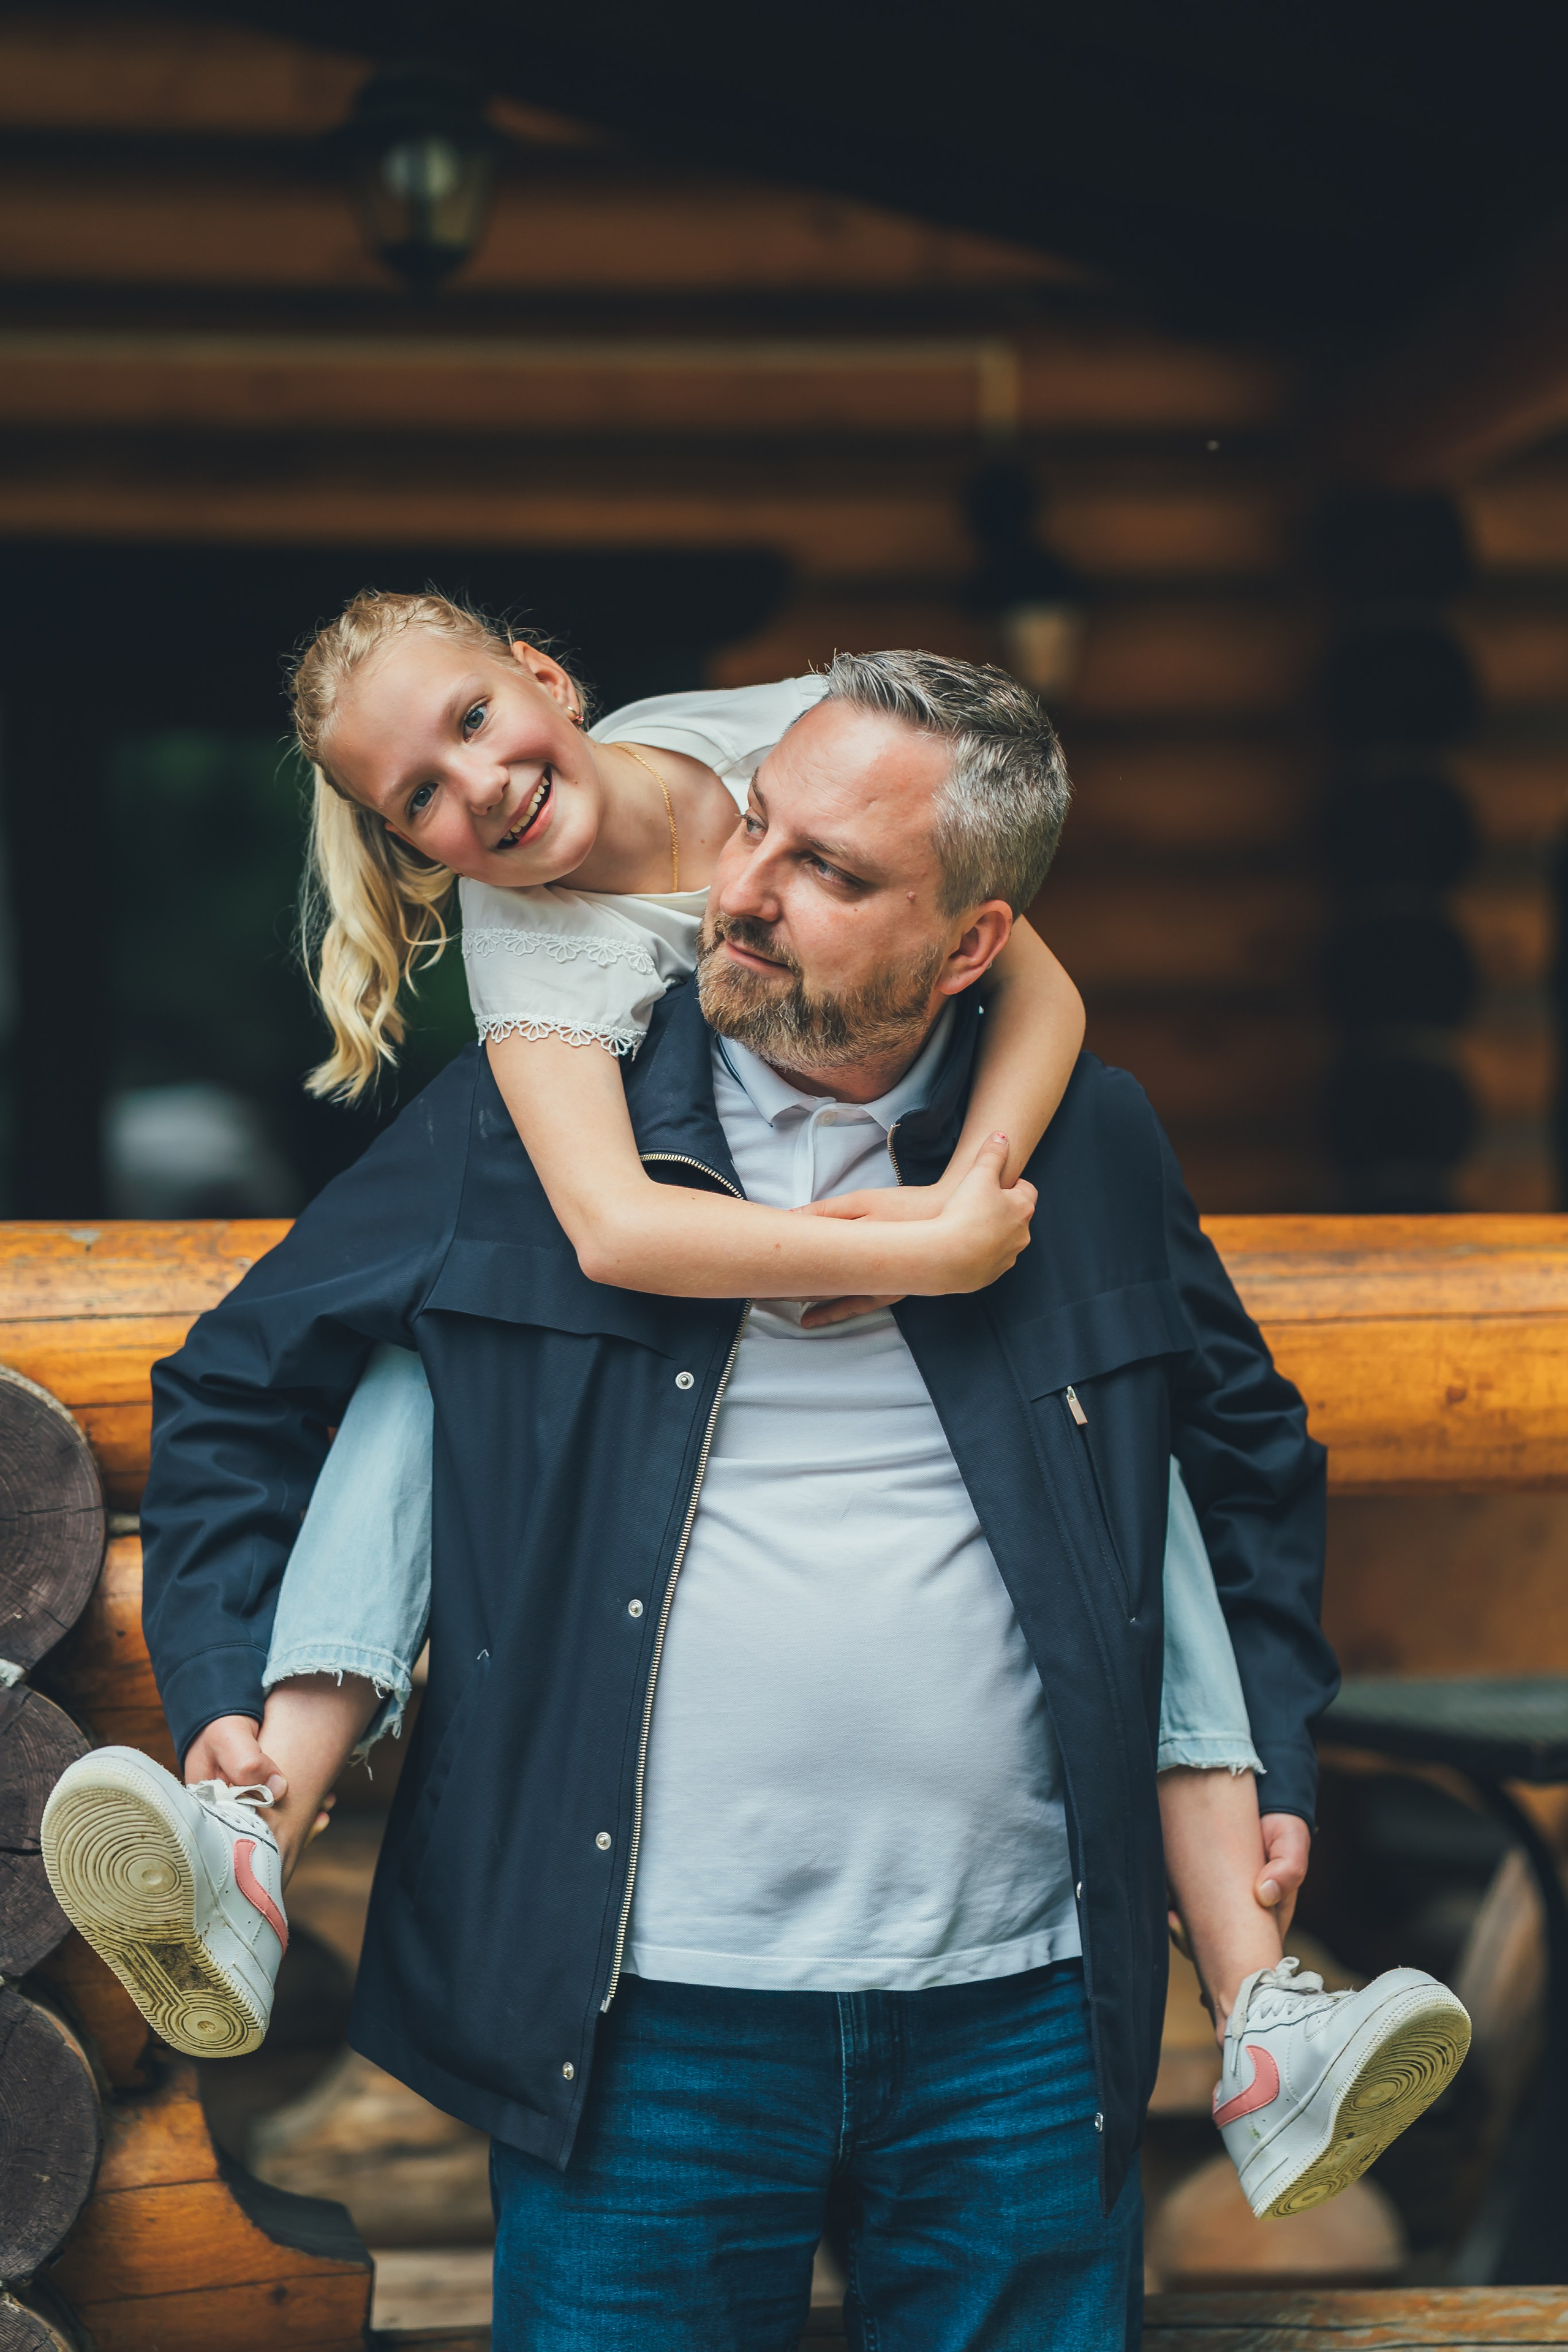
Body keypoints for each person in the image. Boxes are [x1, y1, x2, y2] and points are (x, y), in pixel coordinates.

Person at [43, 649, 1468, 2335]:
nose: (743, 888)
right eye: (757, 832)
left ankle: (1268, 2019)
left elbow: (1236, 1455)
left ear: (971, 946)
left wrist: (1275, 1746)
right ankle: (247, 1852)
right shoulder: (519, 1135)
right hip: (641, 2033)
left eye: (828, 871)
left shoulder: (1088, 1148)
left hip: (1020, 2024)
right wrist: (220, 1693)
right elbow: (237, 1387)